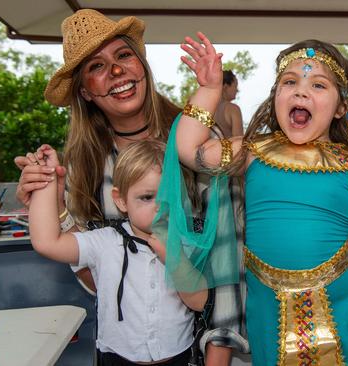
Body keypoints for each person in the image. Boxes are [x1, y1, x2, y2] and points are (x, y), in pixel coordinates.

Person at [160, 33, 348, 365]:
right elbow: (188, 149)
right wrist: (209, 91)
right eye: (289, 82)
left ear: (341, 108)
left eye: (319, 85)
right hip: (269, 312)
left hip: (345, 311)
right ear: (275, 95)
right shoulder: (251, 151)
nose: (301, 90)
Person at [13, 9, 245, 364]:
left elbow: (228, 269)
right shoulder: (83, 165)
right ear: (85, 92)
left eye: (123, 56)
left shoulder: (197, 145)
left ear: (142, 64)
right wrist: (49, 202)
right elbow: (99, 280)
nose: (117, 72)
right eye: (96, 66)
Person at [29, 140, 207, 365]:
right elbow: (47, 243)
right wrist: (46, 181)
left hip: (179, 357)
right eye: (147, 197)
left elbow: (201, 303)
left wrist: (174, 258)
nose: (161, 207)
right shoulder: (103, 242)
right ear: (121, 200)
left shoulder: (188, 242)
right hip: (116, 358)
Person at [214, 70, 244, 138]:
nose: (237, 90)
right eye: (235, 86)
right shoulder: (233, 109)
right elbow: (238, 140)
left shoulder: (204, 107)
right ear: (225, 86)